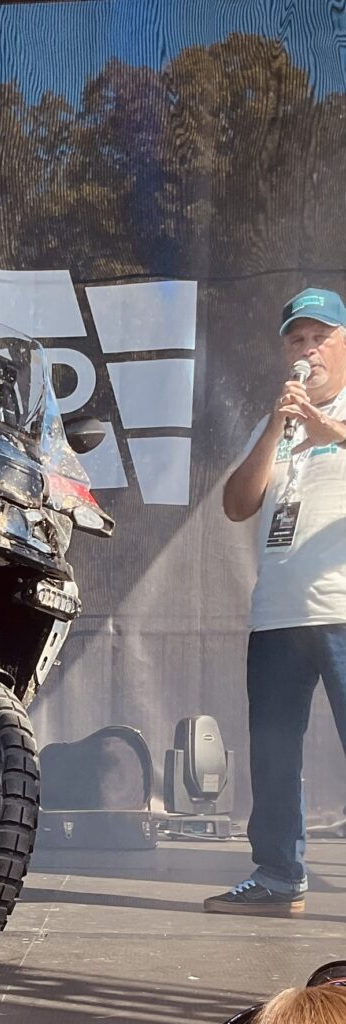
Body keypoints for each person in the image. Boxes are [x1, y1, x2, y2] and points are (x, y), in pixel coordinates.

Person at [206, 287, 346, 916]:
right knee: (274, 752)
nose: (308, 349)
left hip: (343, 610)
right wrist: (276, 426)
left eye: (320, 337)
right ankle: (278, 875)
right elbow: (238, 505)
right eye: (297, 338)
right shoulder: (279, 420)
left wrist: (328, 429)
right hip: (278, 616)